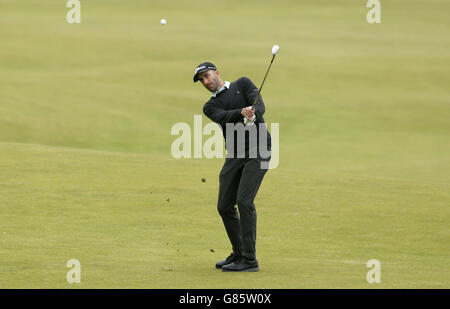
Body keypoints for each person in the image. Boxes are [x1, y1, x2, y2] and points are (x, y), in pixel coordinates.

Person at [193, 61, 271, 272]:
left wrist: (253, 113)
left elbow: (260, 105)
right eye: (202, 80)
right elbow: (225, 117)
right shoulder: (209, 106)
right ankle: (238, 253)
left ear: (217, 73)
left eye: (207, 76)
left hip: (259, 150)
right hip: (235, 154)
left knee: (244, 201)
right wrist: (242, 112)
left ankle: (249, 259)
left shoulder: (243, 84)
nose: (206, 82)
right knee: (224, 205)